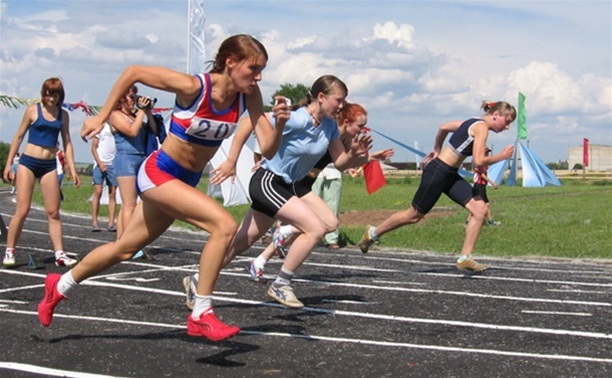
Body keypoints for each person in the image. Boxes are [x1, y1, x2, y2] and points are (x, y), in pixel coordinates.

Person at [36, 34, 290, 342]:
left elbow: (268, 148)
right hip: (159, 173)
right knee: (224, 225)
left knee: (125, 249)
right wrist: (101, 118)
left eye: (262, 69)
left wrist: (277, 126)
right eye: (253, 68)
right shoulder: (195, 87)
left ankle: (58, 286)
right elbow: (133, 72)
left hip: (184, 181)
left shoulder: (248, 95)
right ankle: (201, 313)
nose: (259, 76)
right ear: (230, 62)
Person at [184, 76, 373, 310]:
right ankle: (281, 283)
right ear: (321, 97)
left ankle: (196, 280)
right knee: (315, 228)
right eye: (339, 100)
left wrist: (355, 153)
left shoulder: (330, 126)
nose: (342, 106)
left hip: (284, 187)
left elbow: (341, 163)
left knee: (241, 243)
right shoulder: (297, 118)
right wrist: (231, 161)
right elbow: (247, 123)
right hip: (267, 181)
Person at [241, 103, 394, 285]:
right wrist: (269, 163)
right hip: (296, 183)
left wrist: (371, 157)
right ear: (346, 122)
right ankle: (283, 233)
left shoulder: (342, 140)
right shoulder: (327, 133)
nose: (362, 130)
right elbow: (292, 146)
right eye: (360, 126)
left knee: (315, 227)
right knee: (328, 223)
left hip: (305, 183)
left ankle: (260, 260)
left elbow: (344, 163)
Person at [357, 101, 516, 273]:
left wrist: (436, 149)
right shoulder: (481, 127)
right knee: (414, 216)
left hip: (450, 174)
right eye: (507, 121)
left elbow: (444, 127)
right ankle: (372, 233)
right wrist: (502, 156)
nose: (507, 127)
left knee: (479, 209)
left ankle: (465, 258)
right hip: (438, 172)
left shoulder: (471, 121)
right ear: (496, 115)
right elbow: (479, 160)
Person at [2, 77, 81, 268]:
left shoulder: (63, 115)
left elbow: (67, 142)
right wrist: (8, 163)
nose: (50, 97)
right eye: (47, 93)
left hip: (49, 165)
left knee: (53, 212)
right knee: (23, 209)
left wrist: (72, 167)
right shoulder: (32, 110)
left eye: (54, 94)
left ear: (60, 96)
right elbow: (19, 136)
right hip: (28, 162)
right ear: (43, 93)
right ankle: (10, 251)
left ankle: (60, 254)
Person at [108, 85, 156, 238]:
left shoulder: (136, 116)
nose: (134, 101)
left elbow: (154, 130)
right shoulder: (115, 115)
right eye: (131, 98)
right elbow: (132, 131)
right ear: (121, 99)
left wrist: (148, 112)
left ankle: (121, 241)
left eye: (136, 97)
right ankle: (130, 243)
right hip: (125, 159)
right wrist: (141, 111)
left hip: (140, 158)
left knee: (127, 205)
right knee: (130, 204)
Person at [90, 122, 118, 232]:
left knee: (112, 193)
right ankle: (94, 222)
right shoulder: (101, 127)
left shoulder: (118, 128)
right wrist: (100, 163)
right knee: (98, 191)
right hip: (99, 163)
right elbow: (93, 148)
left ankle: (111, 223)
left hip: (113, 164)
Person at [466, 147, 500, 227]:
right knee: (479, 206)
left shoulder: (483, 162)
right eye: (486, 153)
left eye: (488, 152)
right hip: (479, 186)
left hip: (481, 186)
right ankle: (469, 222)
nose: (487, 154)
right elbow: (482, 175)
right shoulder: (480, 162)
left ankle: (490, 222)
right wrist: (492, 183)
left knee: (486, 204)